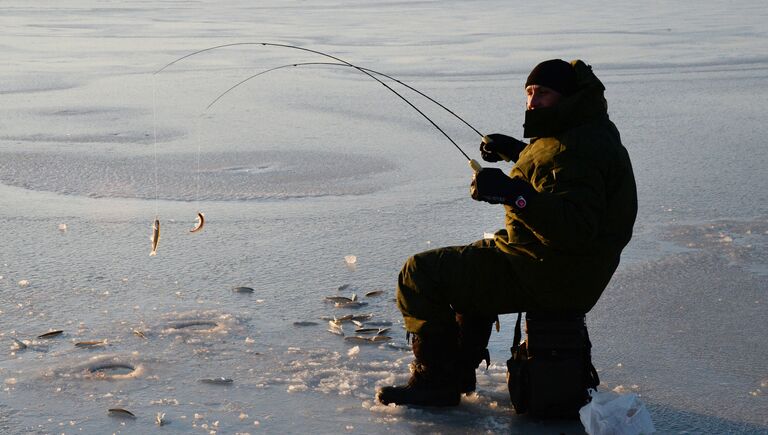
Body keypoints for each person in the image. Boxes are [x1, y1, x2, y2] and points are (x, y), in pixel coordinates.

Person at [376, 59, 638, 407]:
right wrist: (517, 151)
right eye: (529, 92)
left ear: (568, 97)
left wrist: (513, 193)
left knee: (419, 273)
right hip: (560, 268)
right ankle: (454, 372)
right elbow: (555, 172)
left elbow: (574, 230)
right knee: (472, 269)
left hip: (547, 272)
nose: (532, 101)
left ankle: (437, 381)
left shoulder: (573, 150)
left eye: (543, 93)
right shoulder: (585, 129)